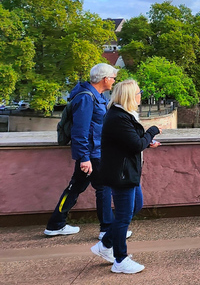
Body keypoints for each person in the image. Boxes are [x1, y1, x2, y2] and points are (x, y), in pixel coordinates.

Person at [91, 79, 161, 274]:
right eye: (138, 93)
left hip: (127, 172)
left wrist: (148, 142)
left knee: (136, 206)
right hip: (121, 174)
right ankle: (120, 260)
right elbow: (136, 144)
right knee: (123, 218)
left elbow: (132, 142)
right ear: (130, 96)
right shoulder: (118, 117)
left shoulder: (123, 115)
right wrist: (152, 132)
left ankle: (105, 245)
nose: (140, 96)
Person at [44, 63, 118, 237]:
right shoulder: (86, 98)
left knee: (75, 187)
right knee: (103, 188)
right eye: (113, 78)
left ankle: (55, 224)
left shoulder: (95, 95)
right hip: (92, 154)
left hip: (94, 152)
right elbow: (80, 131)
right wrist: (84, 158)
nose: (114, 81)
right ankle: (107, 230)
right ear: (105, 79)